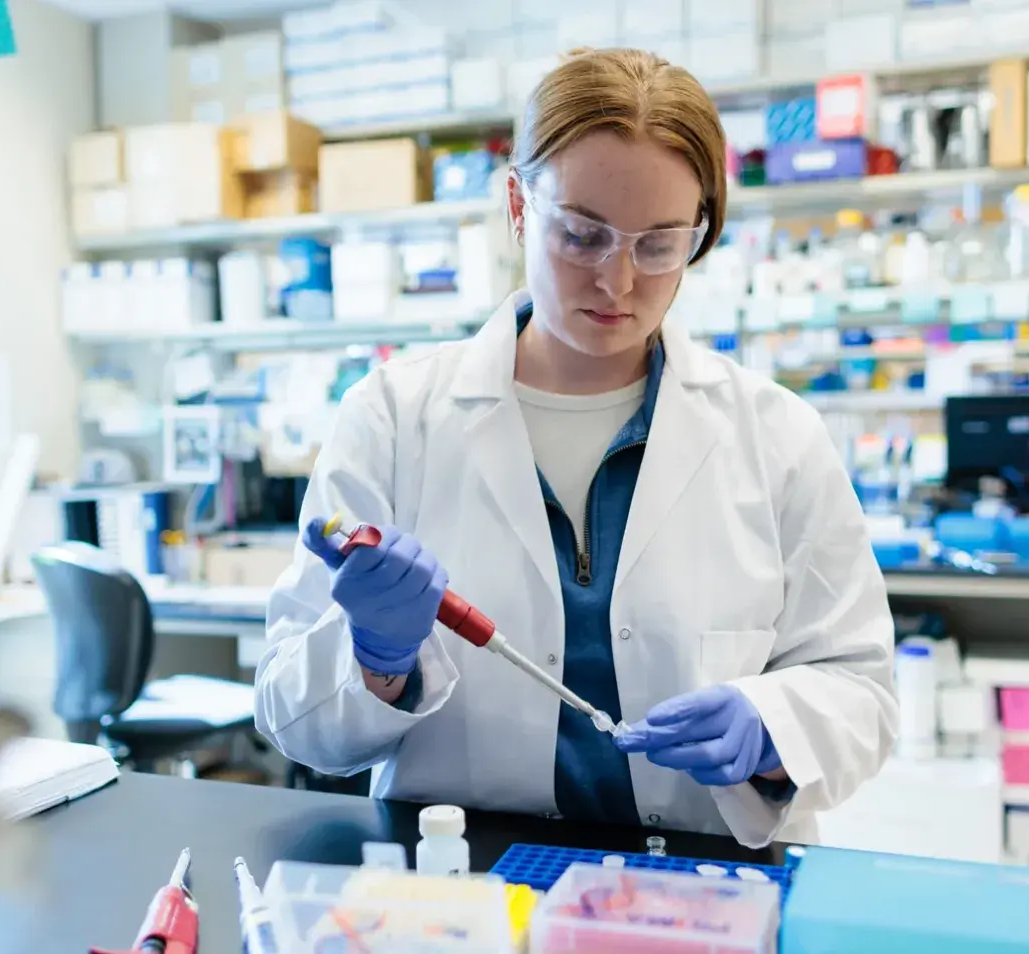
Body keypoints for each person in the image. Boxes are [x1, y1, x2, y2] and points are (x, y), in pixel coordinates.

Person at [255, 47, 897, 848]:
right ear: (520, 204)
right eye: (582, 235)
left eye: (659, 246)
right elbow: (289, 712)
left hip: (706, 893)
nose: (618, 282)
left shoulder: (777, 438)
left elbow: (862, 688)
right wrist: (375, 658)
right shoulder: (393, 418)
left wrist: (774, 730)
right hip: (464, 892)